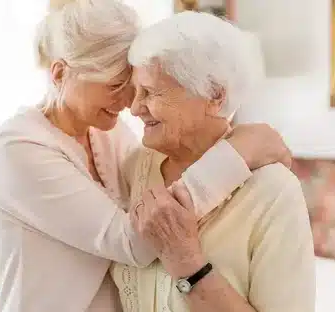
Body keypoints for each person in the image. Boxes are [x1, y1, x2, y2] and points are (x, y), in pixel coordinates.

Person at [0, 1, 292, 311]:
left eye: (134, 85)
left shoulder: (105, 132)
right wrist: (238, 152)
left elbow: (156, 188)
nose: (129, 103)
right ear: (61, 73)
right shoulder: (18, 150)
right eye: (115, 86)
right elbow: (135, 241)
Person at [114, 11, 315, 312]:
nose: (134, 107)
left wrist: (188, 264)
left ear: (214, 96)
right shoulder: (134, 166)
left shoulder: (273, 192)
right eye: (135, 91)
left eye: (151, 92)